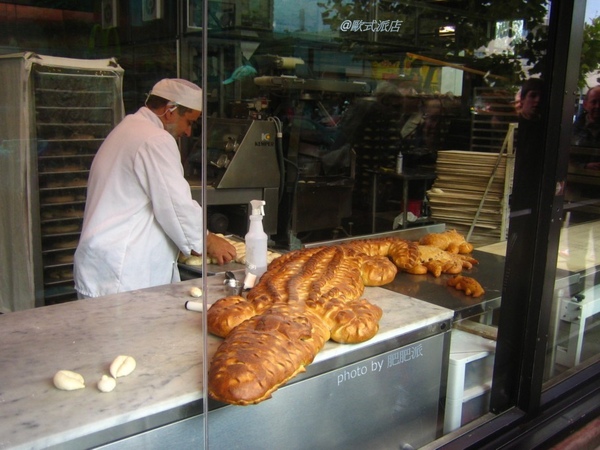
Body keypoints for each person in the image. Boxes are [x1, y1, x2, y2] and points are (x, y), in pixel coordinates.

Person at [74, 78, 236, 298]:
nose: (188, 132)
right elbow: (176, 205)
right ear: (170, 110)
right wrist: (207, 239)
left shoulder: (127, 128)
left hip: (104, 266)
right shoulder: (155, 139)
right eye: (189, 122)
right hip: (123, 272)